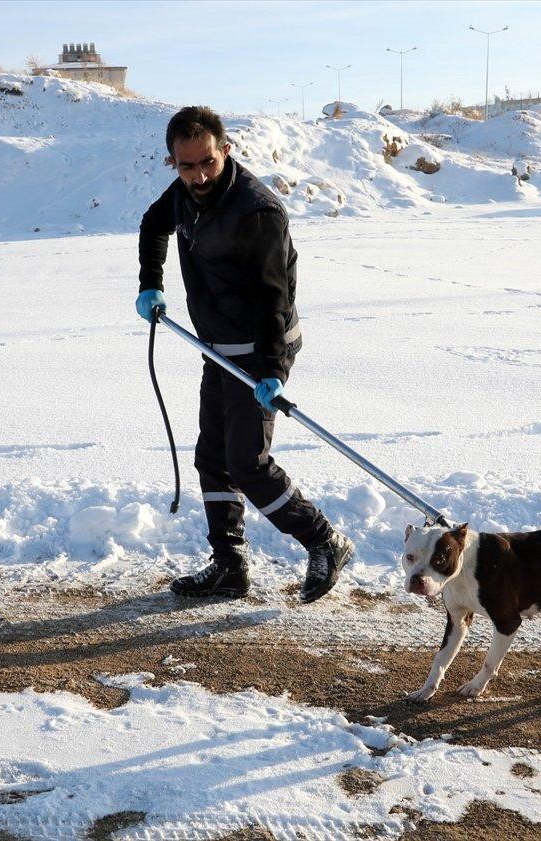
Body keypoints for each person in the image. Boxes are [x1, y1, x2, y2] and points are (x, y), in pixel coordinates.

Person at [136, 105, 354, 603]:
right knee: (212, 456)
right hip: (215, 346)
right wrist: (152, 284)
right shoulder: (186, 193)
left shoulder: (256, 211)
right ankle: (229, 565)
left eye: (207, 162)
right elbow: (153, 224)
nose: (198, 176)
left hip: (259, 348)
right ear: (173, 163)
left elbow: (276, 297)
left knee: (246, 462)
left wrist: (273, 369)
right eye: (186, 166)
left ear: (225, 149)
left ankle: (325, 540)